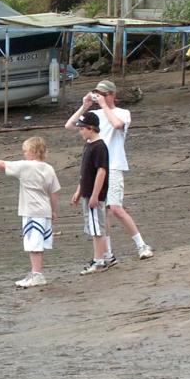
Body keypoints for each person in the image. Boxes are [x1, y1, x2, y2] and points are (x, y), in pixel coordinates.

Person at [64, 79, 153, 264]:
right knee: (101, 213)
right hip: (96, 167)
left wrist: (104, 105)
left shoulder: (122, 113)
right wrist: (84, 106)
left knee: (115, 208)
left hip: (113, 166)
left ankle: (141, 245)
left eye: (103, 94)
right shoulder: (94, 114)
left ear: (112, 95)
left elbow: (117, 125)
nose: (100, 97)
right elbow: (70, 125)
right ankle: (108, 254)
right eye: (98, 94)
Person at [0, 136, 61, 289]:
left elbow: (1, 164)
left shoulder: (26, 166)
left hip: (32, 211)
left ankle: (37, 274)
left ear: (32, 152)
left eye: (25, 151)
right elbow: (54, 192)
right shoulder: (49, 168)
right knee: (37, 243)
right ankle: (35, 272)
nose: (24, 154)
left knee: (33, 244)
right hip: (44, 210)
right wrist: (53, 211)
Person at [71, 111, 110, 275]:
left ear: (91, 128)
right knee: (93, 227)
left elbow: (101, 172)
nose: (80, 131)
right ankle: (101, 257)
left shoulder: (100, 146)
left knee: (97, 229)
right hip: (87, 192)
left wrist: (95, 195)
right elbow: (85, 172)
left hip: (95, 195)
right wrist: (79, 190)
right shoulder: (88, 144)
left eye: (82, 128)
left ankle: (99, 260)